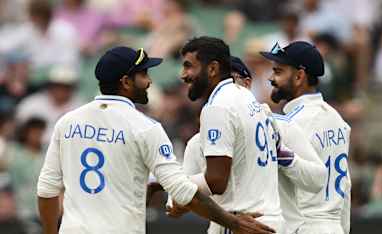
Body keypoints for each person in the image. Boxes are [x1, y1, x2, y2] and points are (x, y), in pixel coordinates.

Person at [36, 46, 276, 234]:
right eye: (143, 74)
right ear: (126, 82)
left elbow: (47, 190)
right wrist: (234, 223)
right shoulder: (144, 127)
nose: (150, 81)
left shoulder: (68, 122)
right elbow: (183, 192)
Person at [171, 54, 326, 234]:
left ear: (247, 84)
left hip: (274, 226)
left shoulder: (282, 127)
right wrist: (182, 191)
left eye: (231, 80)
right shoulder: (197, 141)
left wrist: (285, 157)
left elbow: (318, 180)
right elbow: (176, 205)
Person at [168, 36, 284, 234]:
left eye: (189, 66)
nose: (183, 75)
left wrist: (174, 186)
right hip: (271, 219)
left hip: (245, 223)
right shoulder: (246, 96)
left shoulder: (218, 107)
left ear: (212, 69)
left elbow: (216, 181)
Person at [260, 41, 351, 234]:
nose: (271, 78)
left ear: (300, 76)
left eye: (278, 71)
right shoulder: (338, 120)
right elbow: (346, 185)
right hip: (334, 227)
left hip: (304, 225)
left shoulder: (288, 124)